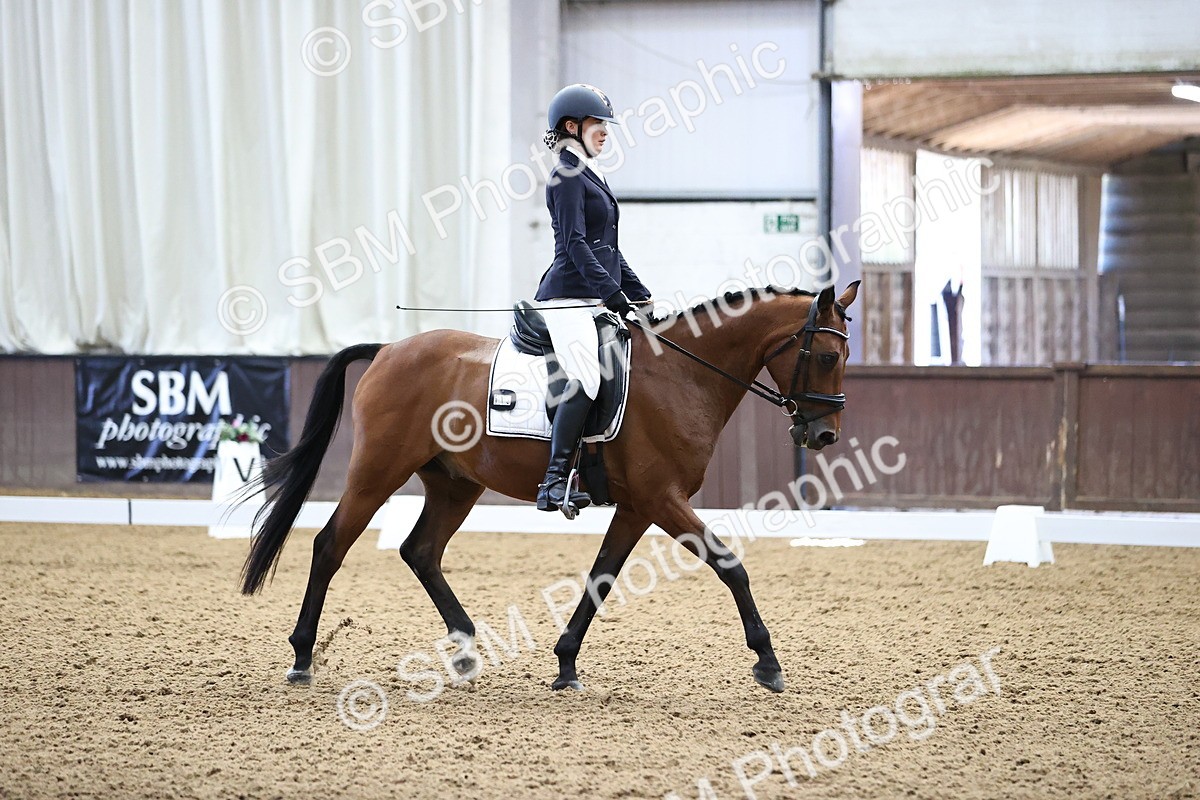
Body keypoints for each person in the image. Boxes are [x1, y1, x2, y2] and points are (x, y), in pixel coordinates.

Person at [533, 83, 652, 514]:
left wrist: (640, 294)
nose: (605, 132)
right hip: (567, 299)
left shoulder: (589, 174)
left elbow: (609, 249)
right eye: (598, 124)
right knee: (586, 375)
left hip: (593, 298)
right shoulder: (565, 177)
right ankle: (554, 480)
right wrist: (613, 294)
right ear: (572, 126)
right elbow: (576, 244)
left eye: (605, 124)